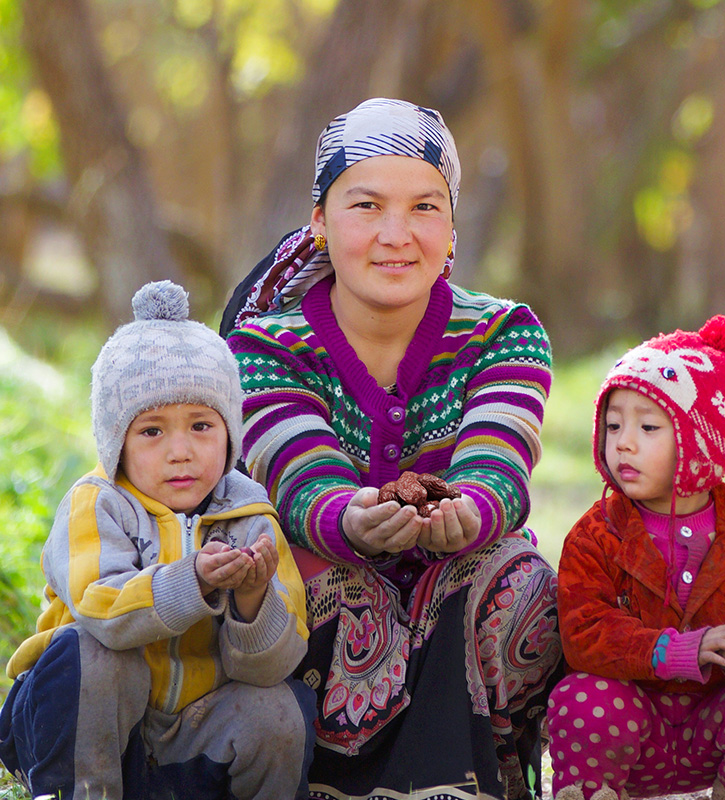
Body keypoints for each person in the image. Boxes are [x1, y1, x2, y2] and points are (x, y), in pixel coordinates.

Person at [221, 97, 563, 800]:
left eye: (425, 207)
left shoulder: (505, 335)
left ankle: (481, 778)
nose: (396, 234)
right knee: (308, 583)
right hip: (326, 594)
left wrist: (471, 509)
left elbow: (499, 464)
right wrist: (348, 518)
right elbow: (299, 476)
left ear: (453, 229)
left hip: (464, 586)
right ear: (319, 222)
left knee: (521, 583)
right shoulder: (262, 345)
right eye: (367, 205)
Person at [0, 281, 315, 800]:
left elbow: (273, 666)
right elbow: (102, 608)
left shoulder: (250, 513)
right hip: (81, 729)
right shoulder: (97, 504)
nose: (181, 451)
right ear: (115, 441)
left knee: (277, 708)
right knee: (97, 657)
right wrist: (190, 581)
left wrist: (253, 601)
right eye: (152, 431)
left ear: (230, 434)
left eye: (201, 426)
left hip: (189, 739)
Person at [547, 315, 725, 800]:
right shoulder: (596, 534)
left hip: (718, 725)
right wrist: (672, 650)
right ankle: (593, 790)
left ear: (703, 442)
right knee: (580, 699)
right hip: (627, 726)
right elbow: (583, 633)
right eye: (613, 424)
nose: (623, 441)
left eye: (647, 426)